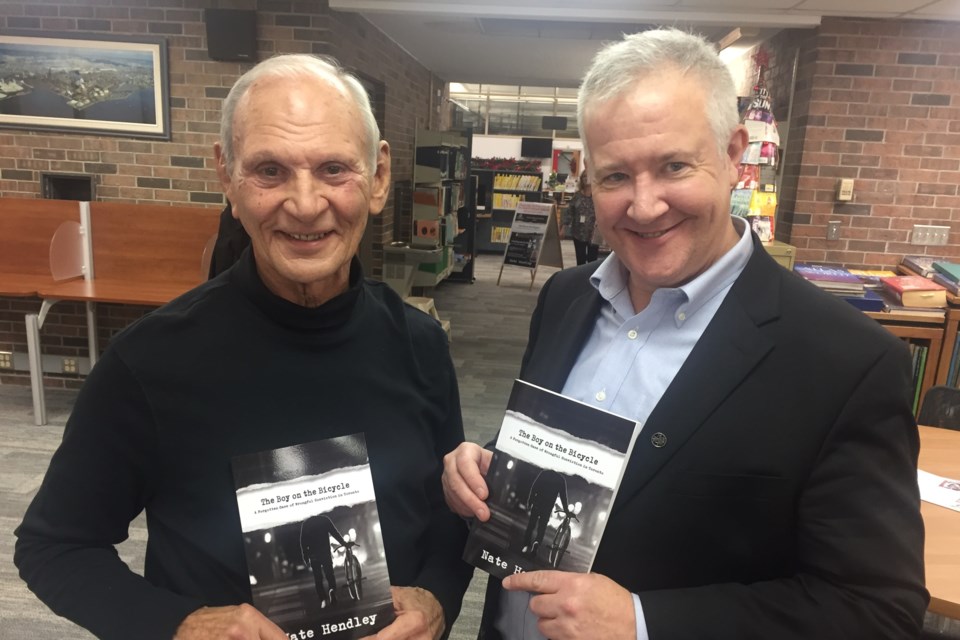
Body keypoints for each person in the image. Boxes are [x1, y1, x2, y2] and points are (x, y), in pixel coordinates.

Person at [442, 28, 926, 640]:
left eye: (673, 166)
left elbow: (876, 612)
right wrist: (489, 461)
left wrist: (645, 623)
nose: (644, 206)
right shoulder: (565, 298)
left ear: (731, 155)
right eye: (616, 176)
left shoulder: (848, 363)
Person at [15, 54, 473, 640]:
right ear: (227, 176)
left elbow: (447, 517)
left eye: (334, 169)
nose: (305, 205)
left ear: (378, 177)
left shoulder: (420, 344)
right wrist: (180, 625)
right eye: (270, 171)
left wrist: (437, 599)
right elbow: (54, 546)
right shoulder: (149, 363)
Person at [299, 514, 348, 607]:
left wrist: (306, 557)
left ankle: (323, 599)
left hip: (313, 555)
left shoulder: (306, 524)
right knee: (330, 574)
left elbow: (303, 542)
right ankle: (332, 590)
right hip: (325, 552)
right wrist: (343, 543)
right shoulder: (324, 520)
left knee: (318, 578)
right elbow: (334, 532)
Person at [520, 469, 568, 557]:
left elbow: (534, 487)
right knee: (542, 528)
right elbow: (563, 496)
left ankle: (526, 545)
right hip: (547, 507)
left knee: (531, 525)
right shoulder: (561, 480)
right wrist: (566, 510)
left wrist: (530, 501)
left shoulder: (545, 473)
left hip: (537, 504)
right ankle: (537, 542)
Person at [560, 173, 599, 265]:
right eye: (584, 177)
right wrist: (563, 228)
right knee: (580, 258)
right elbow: (569, 212)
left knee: (592, 259)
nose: (586, 179)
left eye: (588, 176)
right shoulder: (577, 196)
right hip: (578, 232)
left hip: (594, 232)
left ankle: (590, 278)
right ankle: (581, 277)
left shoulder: (598, 196)